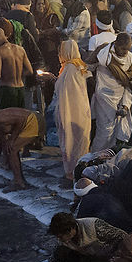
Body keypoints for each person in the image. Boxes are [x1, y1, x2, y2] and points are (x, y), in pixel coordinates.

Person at [52, 40, 91, 183]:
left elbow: (64, 91)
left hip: (70, 111)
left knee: (70, 139)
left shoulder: (69, 69)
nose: (59, 55)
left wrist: (53, 81)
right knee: (80, 140)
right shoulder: (79, 65)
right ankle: (81, 169)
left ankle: (71, 172)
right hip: (82, 111)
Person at [91, 32, 132, 151]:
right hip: (104, 97)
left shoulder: (130, 57)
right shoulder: (103, 55)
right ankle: (94, 157)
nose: (125, 52)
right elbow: (88, 66)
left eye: (128, 49)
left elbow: (128, 80)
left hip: (119, 96)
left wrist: (125, 105)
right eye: (123, 49)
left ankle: (107, 158)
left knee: (115, 132)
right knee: (105, 131)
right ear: (115, 44)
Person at [0, 27, 32, 110]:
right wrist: (18, 74)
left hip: (7, 89)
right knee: (19, 117)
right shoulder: (21, 49)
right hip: (20, 89)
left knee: (5, 118)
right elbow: (30, 71)